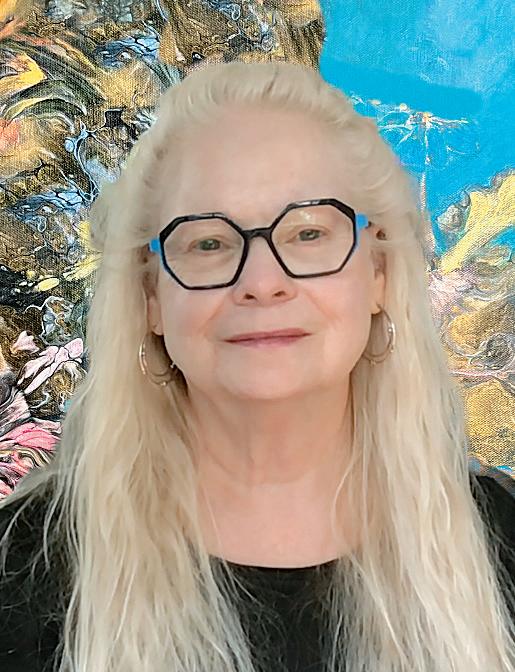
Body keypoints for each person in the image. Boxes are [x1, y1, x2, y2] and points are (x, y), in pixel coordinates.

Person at [0, 60, 514, 672]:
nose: (263, 281)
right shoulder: (22, 571)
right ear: (151, 297)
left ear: (377, 272)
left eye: (308, 233)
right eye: (209, 242)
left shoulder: (501, 543)